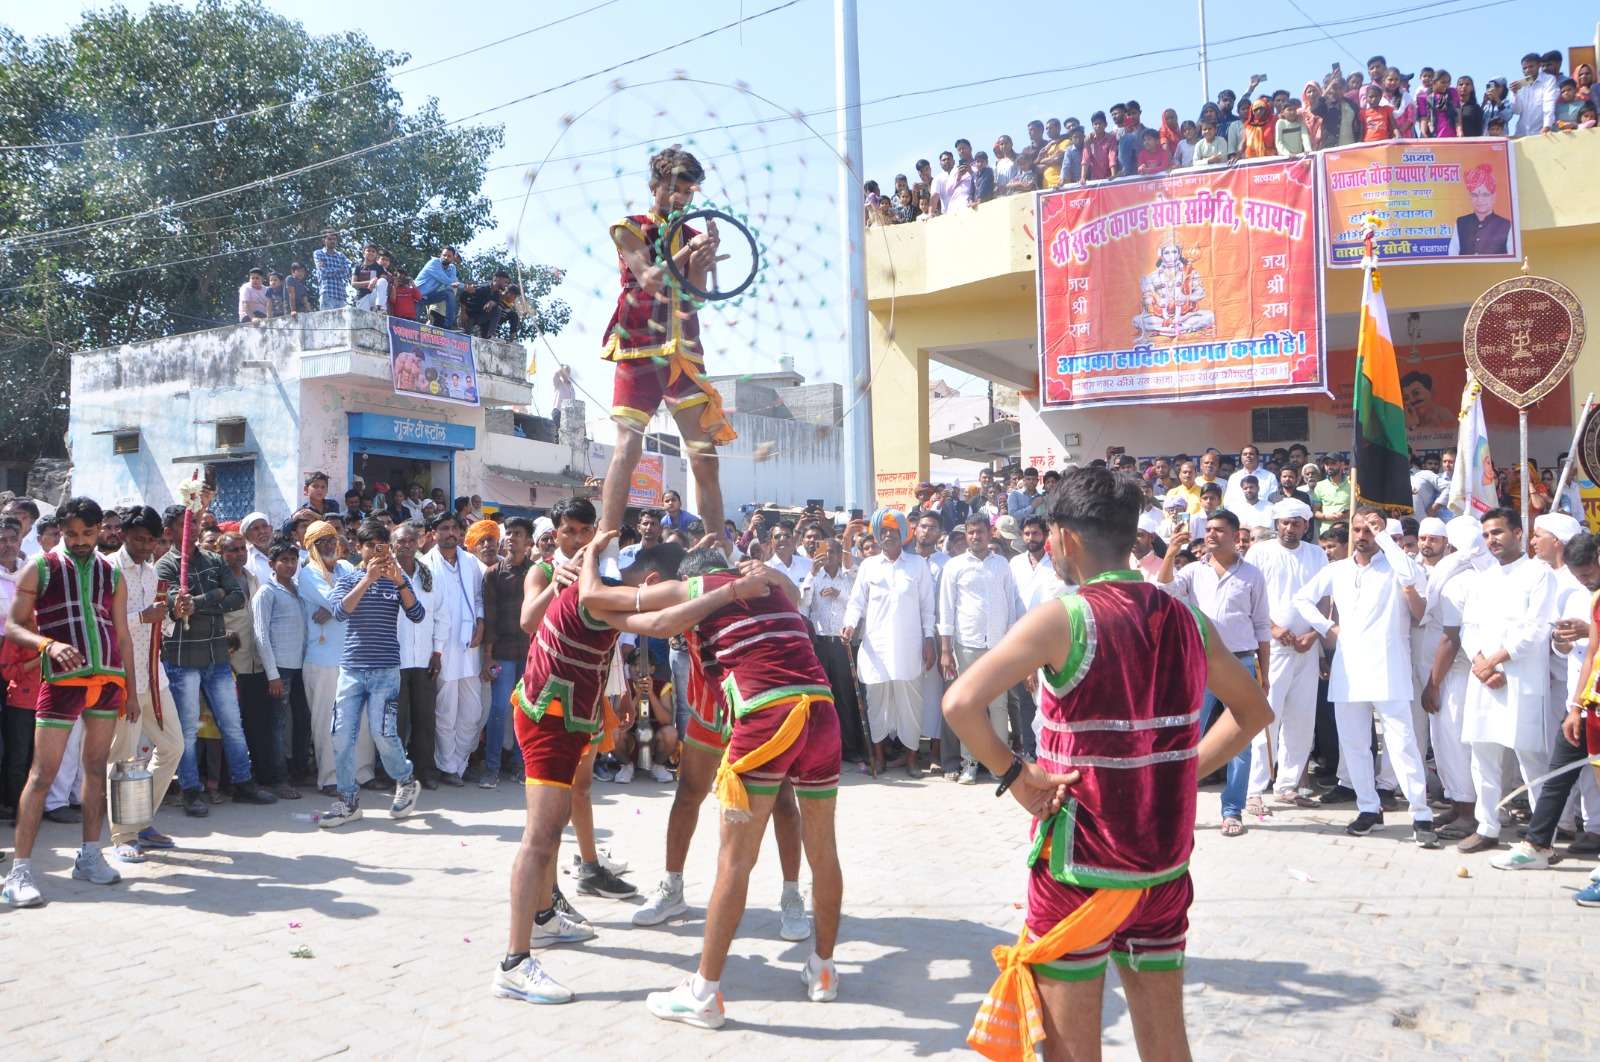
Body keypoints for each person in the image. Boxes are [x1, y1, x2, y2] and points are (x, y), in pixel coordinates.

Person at [942, 467, 1270, 1062]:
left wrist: (1018, 778)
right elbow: (1252, 712)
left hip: (1080, 863)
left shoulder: (1062, 617)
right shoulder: (1187, 618)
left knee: (1070, 1047)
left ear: (1064, 537)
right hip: (1164, 865)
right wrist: (1175, 772)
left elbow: (961, 703)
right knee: (1166, 1036)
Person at [493, 535, 776, 1005]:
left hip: (569, 718)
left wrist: (694, 556)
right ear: (649, 582)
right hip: (549, 717)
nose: (673, 593)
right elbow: (663, 622)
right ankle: (514, 964)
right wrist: (725, 591)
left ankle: (542, 920)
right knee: (540, 836)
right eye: (670, 585)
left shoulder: (600, 588)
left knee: (553, 825)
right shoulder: (600, 595)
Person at [587, 542, 843, 1027]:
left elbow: (653, 619)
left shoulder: (707, 584)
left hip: (766, 715)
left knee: (734, 859)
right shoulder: (773, 589)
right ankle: (824, 969)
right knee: (824, 850)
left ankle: (703, 992)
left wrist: (595, 596)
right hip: (821, 710)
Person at [596, 148, 733, 555]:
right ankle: (605, 544)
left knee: (704, 454)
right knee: (628, 447)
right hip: (639, 349)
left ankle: (719, 547)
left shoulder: (690, 235)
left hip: (683, 352)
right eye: (675, 190)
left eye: (689, 193)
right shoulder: (630, 229)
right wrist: (688, 254)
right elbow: (651, 279)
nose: (682, 199)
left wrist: (703, 260)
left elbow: (696, 296)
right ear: (654, 186)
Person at [2, 498, 138, 906]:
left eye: (88, 533)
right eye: (72, 534)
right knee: (42, 775)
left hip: (108, 681)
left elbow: (123, 634)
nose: (80, 541)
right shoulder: (40, 567)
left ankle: (90, 856)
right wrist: (48, 644)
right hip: (61, 681)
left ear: (100, 531)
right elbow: (11, 626)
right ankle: (19, 872)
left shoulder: (111, 571)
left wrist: (129, 688)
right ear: (60, 530)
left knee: (94, 770)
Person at [1295, 509, 1435, 845]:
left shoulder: (1396, 568)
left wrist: (1384, 535)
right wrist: (1328, 627)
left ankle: (1421, 814)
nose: (1363, 536)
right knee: (1355, 746)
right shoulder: (1337, 570)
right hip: (1348, 671)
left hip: (1388, 670)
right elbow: (1302, 599)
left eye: (1370, 530)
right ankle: (1368, 808)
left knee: (1402, 744)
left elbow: (1412, 579)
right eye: (1358, 529)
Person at [155, 506, 277, 814]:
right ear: (169, 532)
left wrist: (199, 602)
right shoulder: (164, 566)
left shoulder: (213, 560)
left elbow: (236, 597)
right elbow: (173, 606)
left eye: (194, 523)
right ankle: (190, 790)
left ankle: (242, 782)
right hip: (182, 658)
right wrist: (214, 596)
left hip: (217, 655)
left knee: (232, 725)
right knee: (187, 730)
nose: (193, 530)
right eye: (185, 526)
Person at [1157, 509, 1271, 835]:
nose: (1211, 534)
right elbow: (1164, 590)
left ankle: (1232, 810)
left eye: (1219, 530)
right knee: (1189, 737)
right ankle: (1179, 808)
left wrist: (1265, 670)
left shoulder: (1252, 575)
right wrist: (1170, 553)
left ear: (1235, 536)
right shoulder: (1193, 571)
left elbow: (1261, 624)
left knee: (1241, 740)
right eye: (1207, 529)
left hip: (1242, 662)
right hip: (1199, 662)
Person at [1453, 508, 1558, 854]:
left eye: (1497, 532)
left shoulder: (1539, 574)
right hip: (1484, 678)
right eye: (1486, 535)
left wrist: (1495, 661)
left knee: (1531, 759)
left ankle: (1543, 837)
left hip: (1520, 678)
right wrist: (1481, 664)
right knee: (1481, 755)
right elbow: (1469, 627)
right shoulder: (1483, 578)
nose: (1491, 540)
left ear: (1518, 533)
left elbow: (1536, 630)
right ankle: (1487, 827)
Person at [313, 520, 425, 827]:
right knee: (340, 736)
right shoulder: (349, 578)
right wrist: (367, 580)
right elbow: (338, 612)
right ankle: (348, 801)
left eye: (382, 546)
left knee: (383, 733)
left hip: (386, 670)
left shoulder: (397, 578)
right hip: (351, 669)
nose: (377, 552)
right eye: (370, 546)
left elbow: (417, 615)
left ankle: (405, 779)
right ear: (358, 548)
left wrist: (399, 581)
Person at [100, 505, 184, 862]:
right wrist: (141, 616)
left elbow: (160, 628)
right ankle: (123, 835)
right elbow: (102, 621)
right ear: (123, 535)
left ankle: (141, 818)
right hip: (121, 676)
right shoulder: (108, 569)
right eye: (138, 539)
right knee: (123, 757)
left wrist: (175, 614)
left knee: (173, 746)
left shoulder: (153, 574)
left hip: (154, 674)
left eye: (151, 540)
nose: (145, 546)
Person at [1244, 499, 1327, 809]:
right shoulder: (1260, 553)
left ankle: (1288, 785)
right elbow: (1250, 597)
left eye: (1296, 523)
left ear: (1306, 526)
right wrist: (1274, 628)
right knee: (1267, 716)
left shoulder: (1316, 554)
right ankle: (1254, 790)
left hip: (1307, 648)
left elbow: (1325, 600)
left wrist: (1314, 633)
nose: (1290, 528)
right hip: (1271, 648)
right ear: (1276, 524)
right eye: (1284, 522)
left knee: (1302, 718)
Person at [842, 509, 935, 776]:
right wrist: (849, 624)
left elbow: (927, 608)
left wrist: (929, 638)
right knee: (877, 705)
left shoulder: (917, 566)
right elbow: (856, 603)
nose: (887, 536)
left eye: (892, 532)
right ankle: (879, 758)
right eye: (883, 532)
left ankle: (911, 760)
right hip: (876, 649)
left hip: (909, 648)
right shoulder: (869, 566)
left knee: (911, 706)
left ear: (903, 535)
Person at [938, 513, 1020, 784]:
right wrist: (946, 650)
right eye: (971, 532)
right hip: (967, 643)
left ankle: (1002, 766)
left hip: (998, 644)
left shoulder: (1002, 566)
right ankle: (969, 763)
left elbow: (1010, 605)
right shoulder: (955, 566)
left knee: (998, 705)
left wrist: (1011, 641)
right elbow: (946, 609)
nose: (976, 537)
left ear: (989, 533)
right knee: (970, 705)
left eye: (980, 532)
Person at [426, 513, 486, 786]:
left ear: (461, 534)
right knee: (446, 711)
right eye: (444, 528)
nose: (450, 532)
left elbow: (478, 597)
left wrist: (481, 623)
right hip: (442, 649)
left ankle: (460, 762)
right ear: (434, 533)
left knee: (473, 712)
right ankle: (447, 765)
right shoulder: (425, 564)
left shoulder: (471, 562)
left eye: (454, 528)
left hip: (470, 645)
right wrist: (435, 650)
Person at [253, 536, 309, 801]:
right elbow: (261, 635)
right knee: (278, 725)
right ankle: (279, 778)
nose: (290, 565)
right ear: (272, 564)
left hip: (301, 667)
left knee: (300, 721)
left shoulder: (299, 589)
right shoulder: (267, 592)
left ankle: (300, 770)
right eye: (284, 560)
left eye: (293, 560)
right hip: (280, 671)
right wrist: (273, 675)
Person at [800, 538, 866, 767]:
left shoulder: (848, 579)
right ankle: (821, 749)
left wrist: (839, 594)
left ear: (840, 555)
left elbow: (858, 606)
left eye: (832, 553)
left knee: (845, 696)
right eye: (824, 552)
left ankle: (849, 746)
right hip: (819, 643)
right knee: (821, 698)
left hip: (841, 643)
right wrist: (810, 575)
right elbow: (802, 606)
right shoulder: (814, 578)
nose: (827, 557)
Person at [483, 517, 536, 788]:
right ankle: (491, 768)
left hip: (529, 654)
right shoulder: (493, 573)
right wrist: (488, 656)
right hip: (502, 651)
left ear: (529, 541)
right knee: (499, 709)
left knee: (525, 711)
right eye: (510, 533)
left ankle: (522, 765)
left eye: (518, 534)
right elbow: (489, 619)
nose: (512, 538)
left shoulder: (536, 572)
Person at [1447, 164, 1511, 257]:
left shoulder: (1506, 225)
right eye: (1475, 195)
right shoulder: (1462, 222)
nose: (1480, 200)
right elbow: (1452, 254)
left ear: (1493, 197)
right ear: (1470, 197)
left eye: (1485, 195)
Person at [415, 245, 463, 328]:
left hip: (427, 298)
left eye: (449, 256)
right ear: (440, 255)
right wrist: (465, 286)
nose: (446, 257)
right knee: (411, 324)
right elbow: (447, 281)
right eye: (444, 255)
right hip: (415, 297)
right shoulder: (434, 262)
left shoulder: (452, 268)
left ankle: (448, 326)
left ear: (453, 258)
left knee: (449, 293)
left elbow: (453, 282)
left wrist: (458, 284)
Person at [312, 230, 353, 308]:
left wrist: (330, 269)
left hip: (340, 294)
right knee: (326, 319)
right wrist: (340, 269)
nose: (332, 241)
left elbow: (346, 273)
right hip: (327, 292)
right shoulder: (318, 253)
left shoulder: (341, 256)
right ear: (324, 240)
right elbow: (323, 272)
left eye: (334, 239)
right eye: (330, 239)